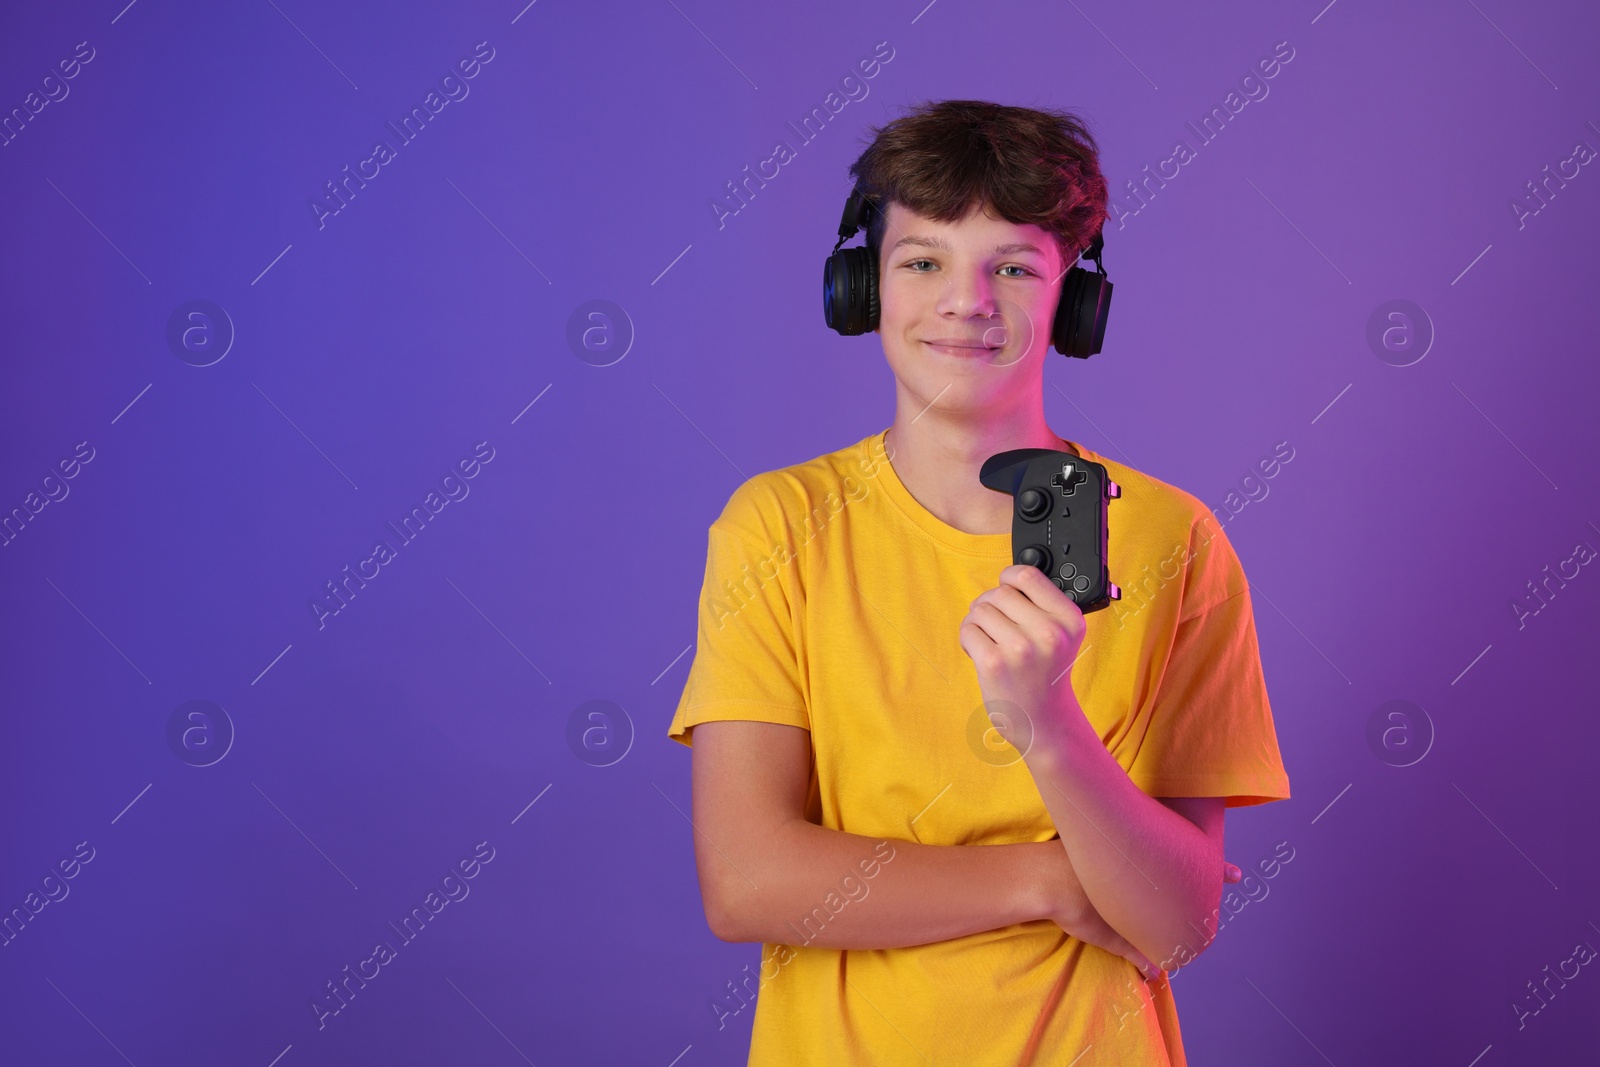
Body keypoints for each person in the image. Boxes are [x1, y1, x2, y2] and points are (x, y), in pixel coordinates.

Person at [667, 99, 1291, 1066]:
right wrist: (1046, 879)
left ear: (1071, 304)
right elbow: (748, 881)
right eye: (923, 261)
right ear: (861, 288)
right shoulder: (779, 526)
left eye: (1012, 267)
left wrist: (1048, 724)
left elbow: (1176, 924)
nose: (967, 301)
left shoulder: (1173, 539)